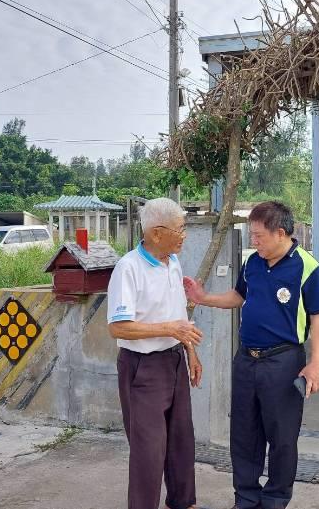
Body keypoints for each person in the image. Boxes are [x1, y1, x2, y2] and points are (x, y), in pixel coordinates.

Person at [183, 201, 319, 509]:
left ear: (280, 233)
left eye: (259, 236)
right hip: (246, 360)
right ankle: (246, 499)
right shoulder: (253, 263)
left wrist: (316, 364)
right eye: (252, 235)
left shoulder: (307, 267)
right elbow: (239, 296)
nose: (254, 241)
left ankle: (275, 499)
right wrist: (204, 297)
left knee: (282, 437)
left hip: (283, 361)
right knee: (244, 434)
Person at [107, 197, 206, 509]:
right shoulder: (128, 268)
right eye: (180, 229)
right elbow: (119, 327)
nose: (184, 234)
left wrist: (190, 350)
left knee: (181, 441)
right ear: (157, 233)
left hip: (174, 360)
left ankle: (183, 502)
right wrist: (169, 330)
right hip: (143, 368)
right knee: (148, 450)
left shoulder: (172, 262)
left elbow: (178, 315)